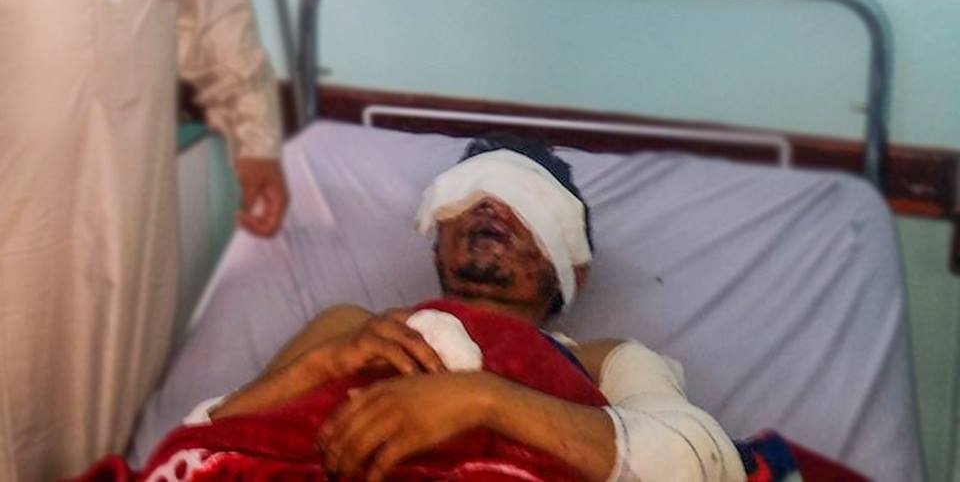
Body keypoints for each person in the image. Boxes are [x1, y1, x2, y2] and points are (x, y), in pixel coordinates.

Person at [166, 135, 746, 482]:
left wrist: (482, 400)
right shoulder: (352, 328)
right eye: (466, 197)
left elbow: (703, 461)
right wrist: (319, 367)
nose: (488, 208)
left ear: (575, 270)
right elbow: (205, 443)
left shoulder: (603, 360)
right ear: (435, 247)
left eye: (528, 204)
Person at [0, 0, 287, 479]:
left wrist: (256, 140)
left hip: (130, 193)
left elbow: (216, 16)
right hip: (18, 196)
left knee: (115, 390)